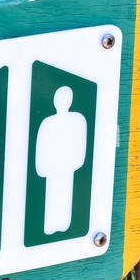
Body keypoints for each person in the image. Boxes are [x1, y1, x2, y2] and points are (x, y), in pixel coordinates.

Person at [34, 86, 86, 235]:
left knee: (64, 196)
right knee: (52, 198)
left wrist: (75, 163)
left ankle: (64, 226)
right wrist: (41, 169)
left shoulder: (77, 119)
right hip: (51, 169)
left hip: (67, 167)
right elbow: (42, 146)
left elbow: (80, 143)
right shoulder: (48, 122)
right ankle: (50, 227)